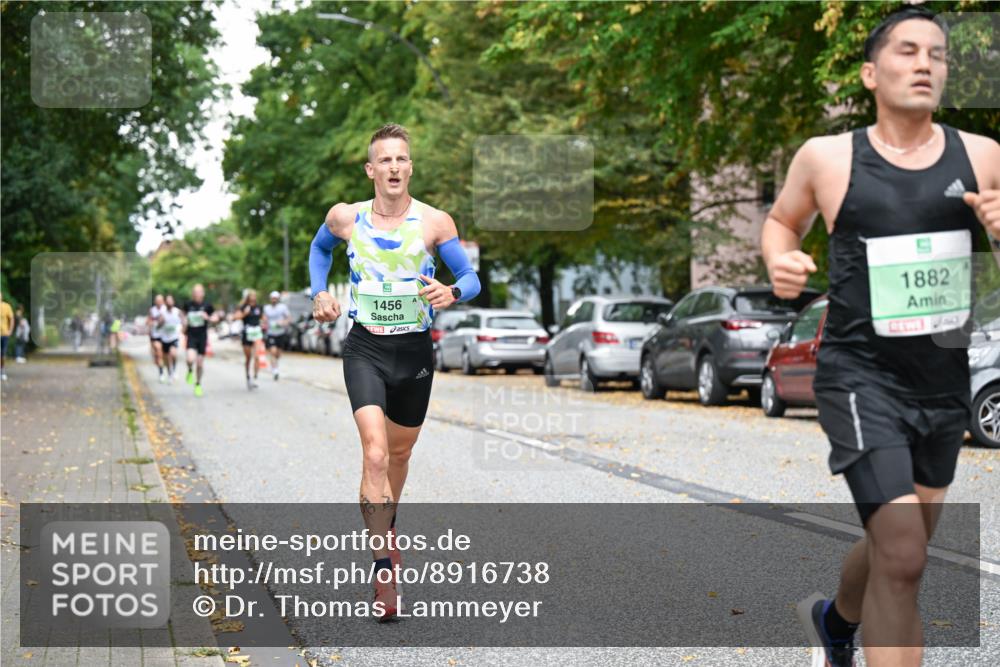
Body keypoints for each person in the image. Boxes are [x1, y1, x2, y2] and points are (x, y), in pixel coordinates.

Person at [760, 7, 1000, 666]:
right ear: (871, 72)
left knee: (899, 538)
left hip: (944, 380)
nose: (925, 63)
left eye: (938, 54)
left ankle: (835, 621)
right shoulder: (828, 158)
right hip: (861, 379)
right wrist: (779, 259)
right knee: (904, 552)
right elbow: (782, 222)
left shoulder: (982, 157)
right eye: (907, 51)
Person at [309, 123, 481, 620]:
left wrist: (453, 292)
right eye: (384, 160)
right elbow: (320, 250)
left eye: (401, 159)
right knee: (376, 453)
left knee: (401, 453)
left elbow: (469, 277)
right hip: (365, 347)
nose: (394, 168)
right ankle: (383, 567)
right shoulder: (345, 218)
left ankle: (387, 526)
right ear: (370, 170)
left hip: (414, 354)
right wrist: (319, 293)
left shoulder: (434, 222)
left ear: (410, 166)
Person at [182, 284, 218, 397]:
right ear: (192, 294)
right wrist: (184, 322)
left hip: (202, 337)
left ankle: (198, 384)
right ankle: (189, 371)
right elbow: (182, 315)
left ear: (203, 293)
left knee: (200, 363)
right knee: (190, 359)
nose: (196, 294)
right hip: (191, 336)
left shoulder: (207, 305)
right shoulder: (188, 305)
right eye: (194, 292)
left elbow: (216, 318)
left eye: (198, 292)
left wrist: (208, 318)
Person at [233, 290, 267, 390]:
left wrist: (264, 322)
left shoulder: (259, 307)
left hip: (256, 332)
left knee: (257, 356)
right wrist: (245, 314)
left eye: (254, 296)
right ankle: (248, 377)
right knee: (248, 358)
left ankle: (255, 377)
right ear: (248, 297)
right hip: (247, 333)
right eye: (251, 296)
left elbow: (263, 317)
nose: (253, 297)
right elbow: (236, 317)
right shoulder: (243, 307)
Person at [263, 291, 291, 381]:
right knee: (273, 351)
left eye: (275, 298)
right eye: (272, 298)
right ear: (270, 299)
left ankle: (274, 365)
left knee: (278, 354)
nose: (274, 300)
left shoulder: (283, 307)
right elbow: (264, 319)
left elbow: (289, 318)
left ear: (278, 299)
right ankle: (275, 370)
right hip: (271, 333)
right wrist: (264, 323)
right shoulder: (266, 308)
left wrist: (283, 323)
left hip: (281, 333)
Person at [157, 295, 184, 383]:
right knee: (166, 359)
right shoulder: (162, 312)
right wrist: (162, 322)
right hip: (165, 338)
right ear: (165, 303)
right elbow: (158, 326)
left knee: (173, 354)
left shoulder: (177, 312)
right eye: (167, 301)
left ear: (173, 302)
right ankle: (170, 374)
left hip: (174, 337)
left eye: (170, 301)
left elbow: (183, 321)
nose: (169, 303)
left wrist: (183, 328)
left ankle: (174, 370)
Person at [147, 294, 166, 381]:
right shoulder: (152, 310)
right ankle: (161, 373)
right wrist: (150, 323)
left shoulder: (166, 310)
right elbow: (148, 321)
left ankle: (170, 370)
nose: (159, 303)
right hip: (155, 336)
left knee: (166, 355)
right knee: (158, 354)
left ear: (163, 301)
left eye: (160, 301)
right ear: (155, 302)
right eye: (157, 301)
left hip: (165, 336)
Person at [0, 291, 13, 381]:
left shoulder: (6, 306)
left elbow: (11, 319)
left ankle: (2, 370)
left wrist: (10, 330)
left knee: (3, 354)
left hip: (4, 334)